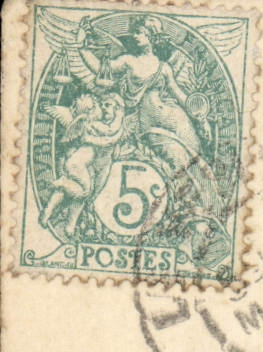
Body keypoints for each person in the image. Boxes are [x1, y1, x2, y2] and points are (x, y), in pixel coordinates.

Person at [81, 16, 221, 218]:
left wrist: (201, 118)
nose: (135, 36)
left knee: (195, 157)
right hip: (150, 124)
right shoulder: (128, 61)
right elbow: (102, 69)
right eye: (136, 32)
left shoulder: (164, 67)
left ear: (151, 37)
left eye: (140, 33)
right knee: (177, 158)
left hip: (176, 120)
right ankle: (189, 207)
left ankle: (209, 209)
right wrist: (82, 48)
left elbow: (181, 97)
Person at [40, 93, 125, 237]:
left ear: (117, 109)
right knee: (83, 191)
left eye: (108, 105)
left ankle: (69, 227)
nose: (104, 108)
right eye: (102, 104)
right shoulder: (94, 124)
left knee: (83, 196)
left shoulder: (111, 126)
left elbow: (113, 142)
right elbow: (107, 139)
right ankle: (59, 188)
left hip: (94, 166)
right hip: (78, 165)